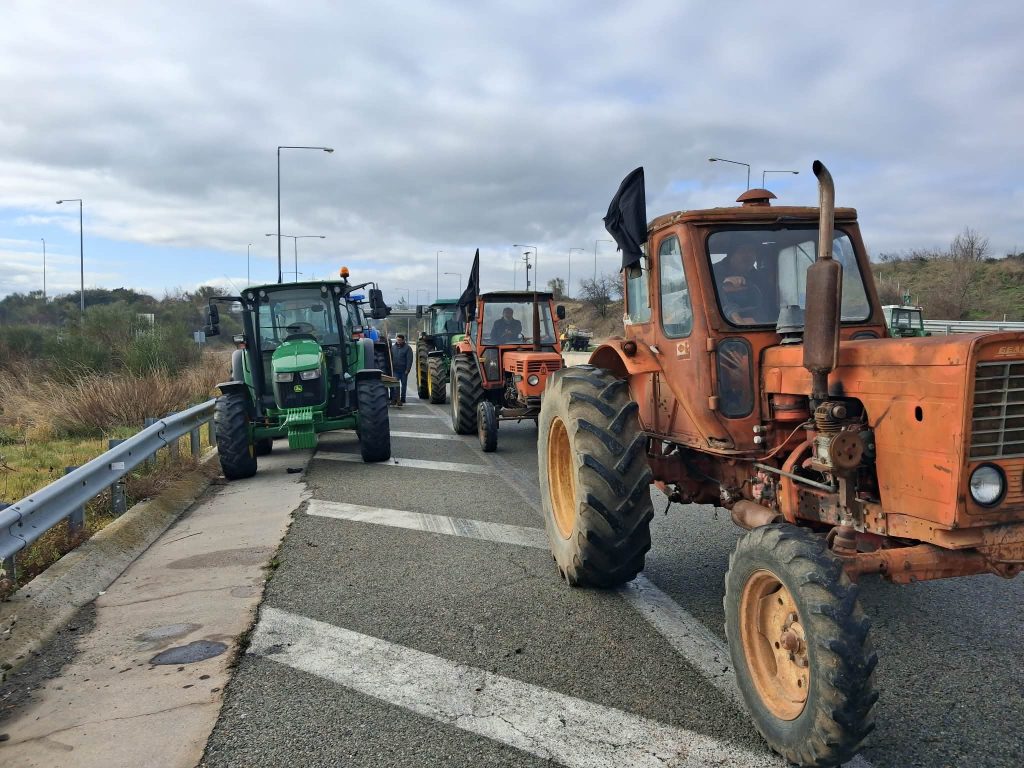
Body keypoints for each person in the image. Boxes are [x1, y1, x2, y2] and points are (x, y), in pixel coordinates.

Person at [716, 244, 767, 324]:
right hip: (725, 325)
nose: (748, 256)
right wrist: (722, 286)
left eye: (752, 251)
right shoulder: (712, 271)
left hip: (761, 324)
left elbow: (768, 304)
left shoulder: (759, 277)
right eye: (743, 251)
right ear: (731, 254)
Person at [390, 333, 413, 406]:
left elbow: (409, 360)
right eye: (397, 340)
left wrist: (407, 369)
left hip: (403, 370)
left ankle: (403, 398)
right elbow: (390, 358)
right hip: (395, 370)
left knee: (403, 385)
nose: (398, 341)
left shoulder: (408, 348)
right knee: (395, 385)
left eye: (400, 340)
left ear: (403, 340)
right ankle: (395, 398)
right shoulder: (393, 347)